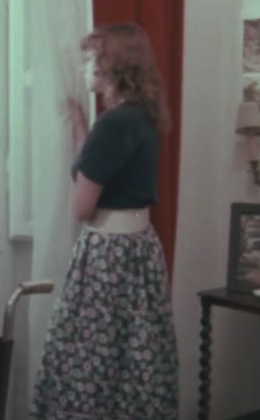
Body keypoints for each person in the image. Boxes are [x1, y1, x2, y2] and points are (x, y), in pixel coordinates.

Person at [30, 23, 179, 419]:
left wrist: (88, 133)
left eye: (90, 59)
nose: (84, 67)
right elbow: (98, 168)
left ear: (111, 66)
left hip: (108, 254)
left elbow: (82, 206)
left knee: (88, 356)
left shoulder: (114, 124)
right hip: (139, 249)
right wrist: (81, 126)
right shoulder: (140, 115)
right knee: (134, 360)